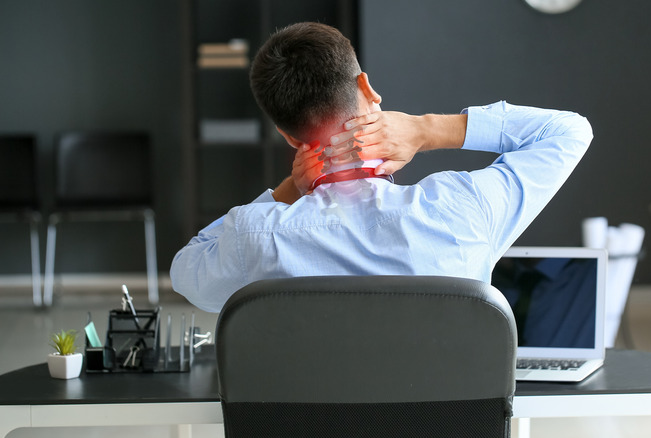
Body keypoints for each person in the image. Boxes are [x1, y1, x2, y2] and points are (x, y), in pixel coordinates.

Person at [170, 22, 593, 313]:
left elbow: (185, 270)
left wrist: (289, 192)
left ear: (289, 137)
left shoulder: (254, 237)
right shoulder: (464, 211)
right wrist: (427, 130)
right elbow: (568, 132)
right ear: (366, 87)